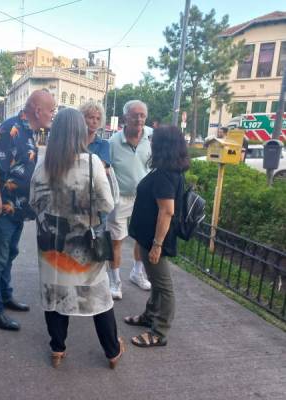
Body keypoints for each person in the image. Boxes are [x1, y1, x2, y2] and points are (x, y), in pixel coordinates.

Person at [29, 108, 125, 369]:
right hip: (84, 245)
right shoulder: (92, 163)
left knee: (54, 293)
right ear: (80, 132)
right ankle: (112, 351)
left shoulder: (42, 163)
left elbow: (33, 202)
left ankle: (57, 349)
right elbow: (107, 204)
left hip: (50, 246)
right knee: (97, 296)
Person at [0, 89, 55, 331]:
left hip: (17, 210)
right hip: (2, 209)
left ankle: (5, 296)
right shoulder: (10, 129)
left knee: (9, 255)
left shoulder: (29, 132)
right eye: (51, 110)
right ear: (37, 110)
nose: (52, 115)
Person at [126, 125, 189, 348]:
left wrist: (156, 245)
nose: (150, 140)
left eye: (154, 138)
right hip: (148, 237)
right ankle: (149, 316)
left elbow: (167, 211)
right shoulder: (165, 169)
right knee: (155, 281)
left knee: (163, 285)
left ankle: (160, 331)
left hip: (156, 239)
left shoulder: (164, 174)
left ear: (163, 144)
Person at [108, 100, 152, 299]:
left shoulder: (151, 137)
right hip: (119, 199)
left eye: (143, 115)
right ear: (126, 117)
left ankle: (137, 272)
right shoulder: (113, 142)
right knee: (116, 240)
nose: (139, 119)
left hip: (143, 199)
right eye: (135, 115)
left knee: (141, 239)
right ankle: (115, 282)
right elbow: (106, 171)